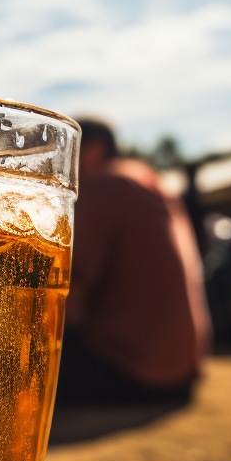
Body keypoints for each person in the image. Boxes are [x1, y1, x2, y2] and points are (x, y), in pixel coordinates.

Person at [58, 118, 210, 406]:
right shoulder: (148, 179)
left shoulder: (105, 183)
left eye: (64, 150)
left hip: (134, 369)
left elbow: (72, 284)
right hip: (183, 368)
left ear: (93, 150)